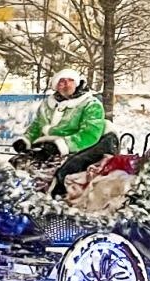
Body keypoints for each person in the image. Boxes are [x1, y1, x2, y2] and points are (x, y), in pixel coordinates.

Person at [12, 68, 118, 198]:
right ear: (56, 86)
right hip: (47, 147)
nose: (66, 84)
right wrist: (25, 140)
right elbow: (36, 127)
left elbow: (89, 135)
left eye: (70, 80)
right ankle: (19, 197)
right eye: (62, 81)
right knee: (19, 163)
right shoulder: (48, 105)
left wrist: (60, 146)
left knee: (55, 172)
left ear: (77, 83)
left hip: (80, 149)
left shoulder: (90, 104)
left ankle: (52, 200)